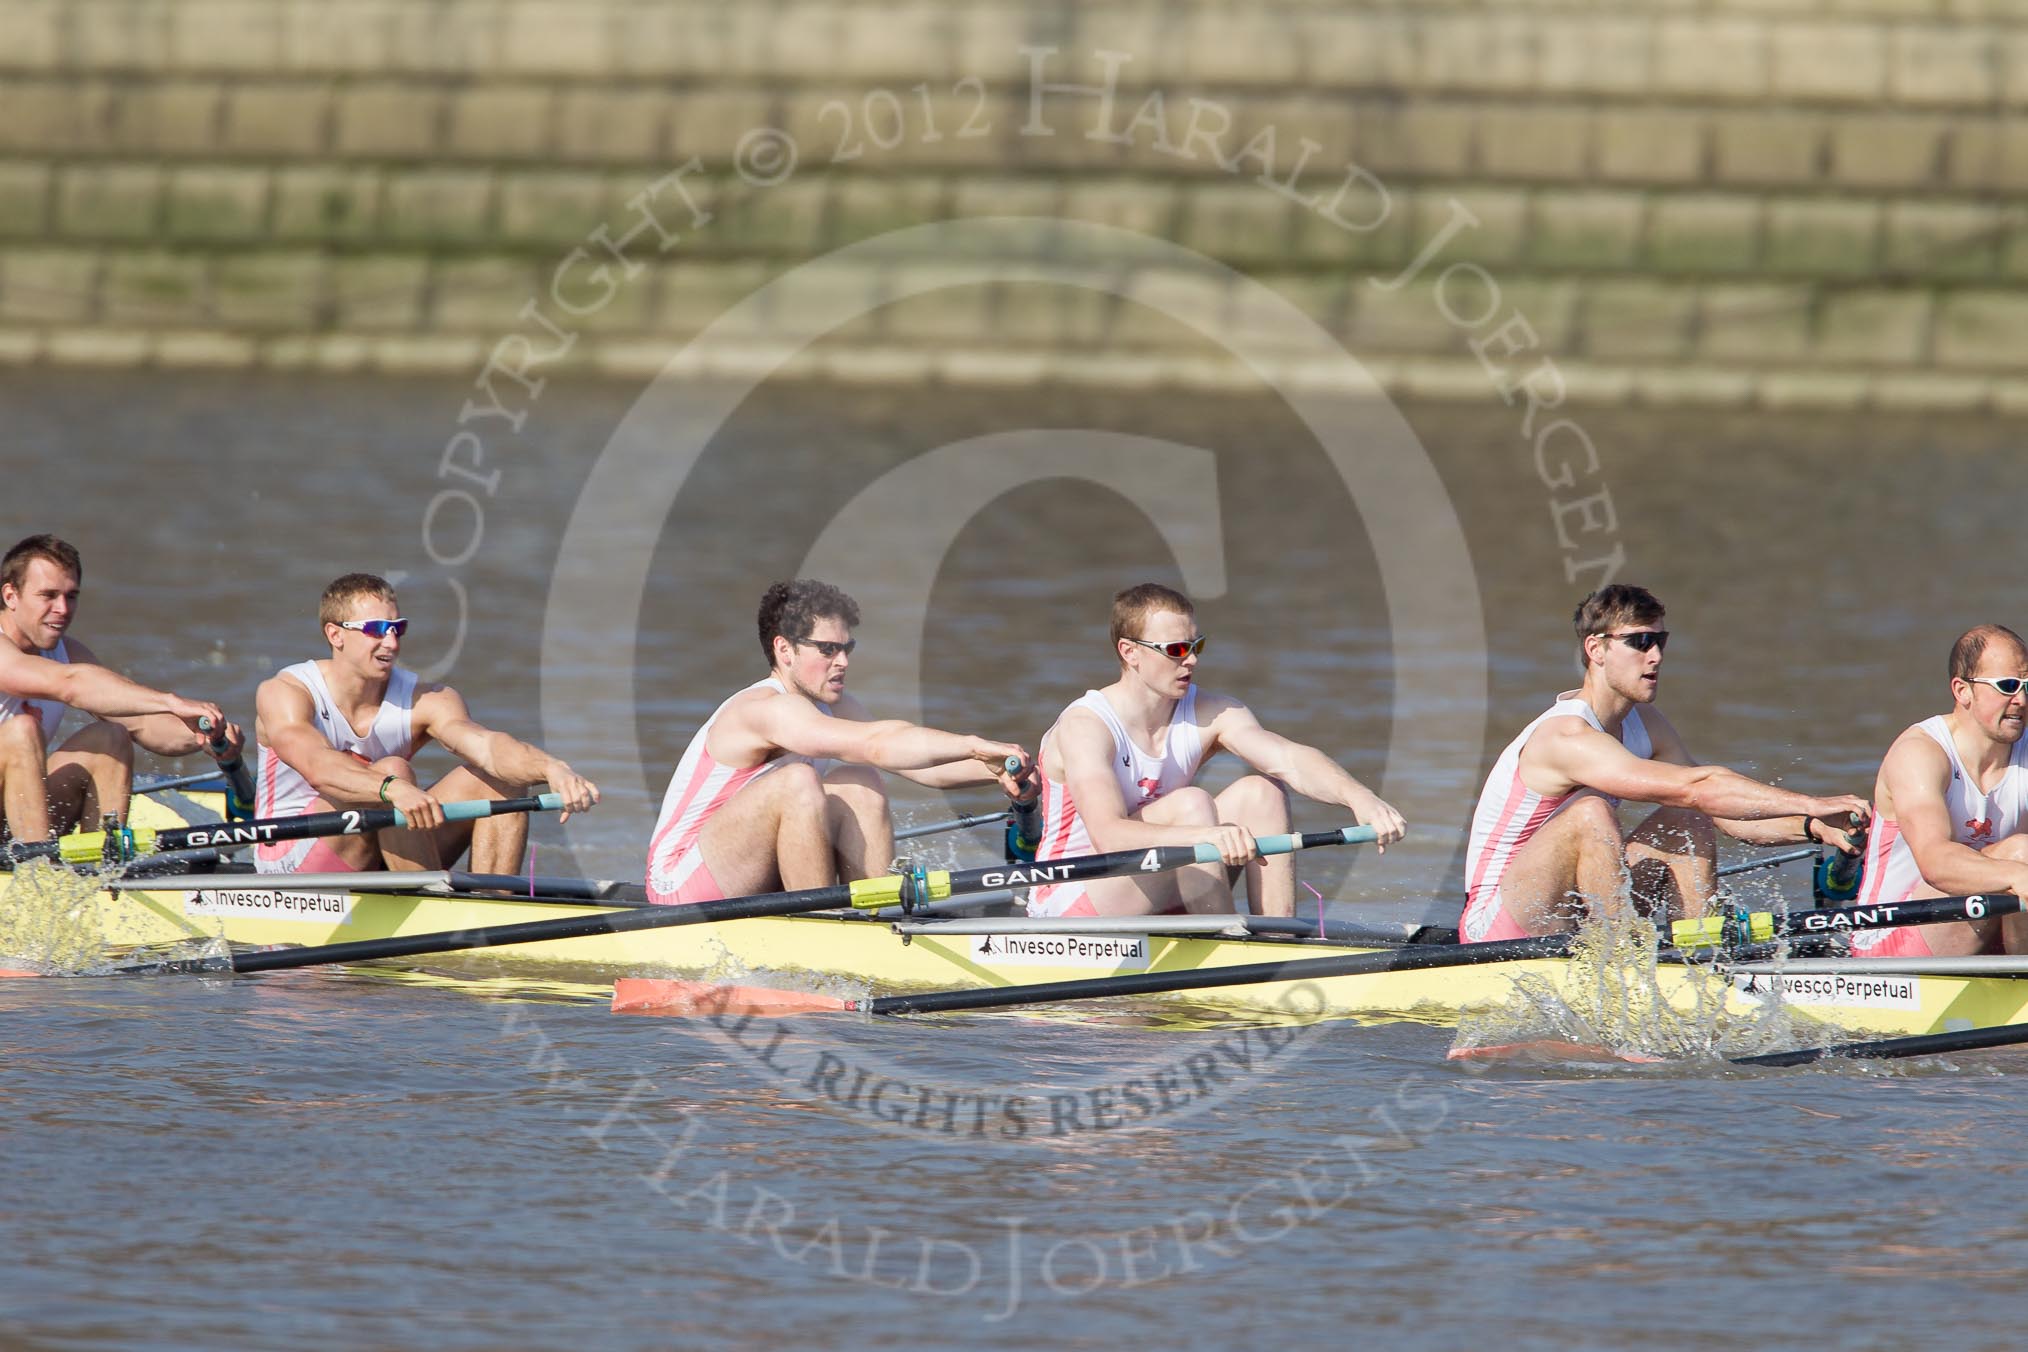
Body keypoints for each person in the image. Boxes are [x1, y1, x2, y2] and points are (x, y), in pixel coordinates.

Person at [1460, 584, 1870, 943]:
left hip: (1576, 913)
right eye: (1639, 642)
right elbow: (1699, 786)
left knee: (1688, 818)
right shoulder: (1565, 737)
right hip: (1500, 924)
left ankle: (1698, 958)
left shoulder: (1646, 724)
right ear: (1596, 649)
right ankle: (1622, 966)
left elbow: (1723, 812)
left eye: (1661, 641)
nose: (1655, 656)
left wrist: (1813, 827)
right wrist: (1811, 802)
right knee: (1591, 813)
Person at [1026, 582, 1406, 919]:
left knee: (1262, 793)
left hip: (1163, 875)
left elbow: (1289, 760)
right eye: (1175, 649)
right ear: (1130, 652)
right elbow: (1108, 835)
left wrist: (1360, 798)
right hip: (1073, 895)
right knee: (1191, 804)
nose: (1191, 660)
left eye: (1196, 646)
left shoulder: (1211, 711)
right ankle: (1227, 938)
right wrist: (1203, 836)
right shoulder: (1087, 726)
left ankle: (1276, 939)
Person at [646, 579, 1032, 905]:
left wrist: (998, 768)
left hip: (744, 871)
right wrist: (971, 743)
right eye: (827, 649)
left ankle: (872, 917)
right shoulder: (765, 709)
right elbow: (879, 743)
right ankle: (824, 928)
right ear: (785, 650)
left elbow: (916, 765)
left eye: (847, 648)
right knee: (797, 781)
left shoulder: (834, 705)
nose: (843, 661)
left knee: (861, 782)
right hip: (678, 886)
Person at [251, 573, 598, 874]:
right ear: (335, 634)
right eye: (376, 630)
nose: (391, 642)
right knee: (392, 770)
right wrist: (389, 788)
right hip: (289, 854)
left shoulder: (427, 698)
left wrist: (551, 768)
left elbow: (488, 747)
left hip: (384, 838)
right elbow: (318, 767)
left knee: (500, 779)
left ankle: (493, 906)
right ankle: (429, 902)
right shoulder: (286, 692)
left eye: (397, 628)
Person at [0, 534, 241, 844]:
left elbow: (141, 722)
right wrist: (170, 700)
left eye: (71, 596)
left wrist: (203, 735)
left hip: (14, 813)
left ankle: (100, 870)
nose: (62, 608)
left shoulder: (67, 652)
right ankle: (38, 876)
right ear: (10, 596)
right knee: (22, 731)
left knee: (112, 736)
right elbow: (70, 685)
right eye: (48, 595)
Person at [1848, 624, 2028, 958]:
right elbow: (1936, 862)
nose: (2021, 699)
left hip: (1990, 937)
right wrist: (2018, 876)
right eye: (2008, 686)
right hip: (1890, 946)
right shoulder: (1920, 754)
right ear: (1963, 691)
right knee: (2021, 853)